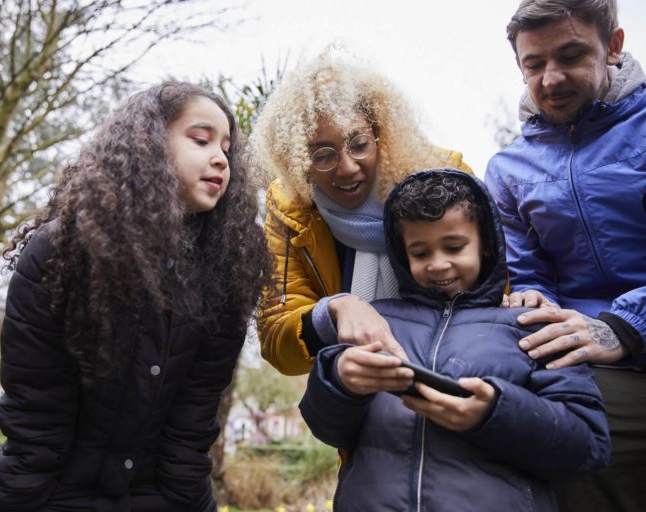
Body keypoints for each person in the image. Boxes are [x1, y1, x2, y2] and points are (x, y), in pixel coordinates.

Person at [0, 82, 269, 512]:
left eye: (227, 149)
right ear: (150, 145)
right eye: (201, 139)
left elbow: (192, 421)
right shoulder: (60, 252)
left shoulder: (226, 274)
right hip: (43, 489)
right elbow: (37, 416)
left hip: (155, 492)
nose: (220, 158)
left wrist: (183, 500)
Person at [299, 169, 610, 512]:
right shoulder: (377, 320)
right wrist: (340, 381)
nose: (438, 264)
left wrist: (495, 413)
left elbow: (588, 447)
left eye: (454, 246)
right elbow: (329, 429)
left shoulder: (536, 326)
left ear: (486, 245)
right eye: (420, 253)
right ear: (403, 255)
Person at [484, 1, 646, 510]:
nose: (551, 78)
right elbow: (532, 277)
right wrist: (531, 302)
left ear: (613, 47)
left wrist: (626, 327)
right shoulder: (508, 170)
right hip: (581, 355)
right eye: (534, 64)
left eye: (571, 54)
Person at [249, 51, 472, 376]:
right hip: (356, 394)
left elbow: (499, 284)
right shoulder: (290, 209)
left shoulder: (447, 178)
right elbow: (276, 338)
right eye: (322, 155)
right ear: (297, 158)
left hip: (458, 371)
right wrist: (332, 313)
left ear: (380, 132)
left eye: (358, 144)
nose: (347, 168)